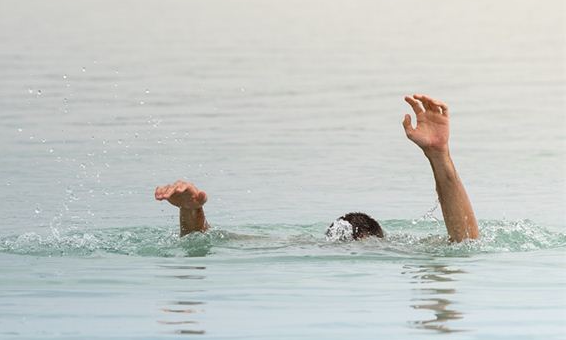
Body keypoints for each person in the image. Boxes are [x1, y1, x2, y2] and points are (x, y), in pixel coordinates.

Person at [155, 94, 479, 243]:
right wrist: (441, 158)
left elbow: (206, 241)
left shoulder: (298, 245)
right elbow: (465, 242)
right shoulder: (398, 251)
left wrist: (191, 214)